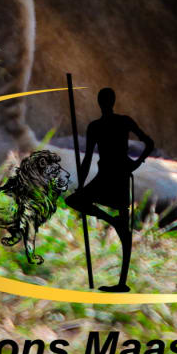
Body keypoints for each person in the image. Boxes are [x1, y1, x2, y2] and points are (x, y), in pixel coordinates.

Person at [66, 88, 155, 292]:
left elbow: (148, 142)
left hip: (120, 174)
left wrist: (136, 163)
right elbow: (88, 158)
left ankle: (122, 283)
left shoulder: (120, 122)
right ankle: (113, 221)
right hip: (105, 174)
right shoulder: (96, 126)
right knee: (74, 200)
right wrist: (81, 182)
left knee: (124, 229)